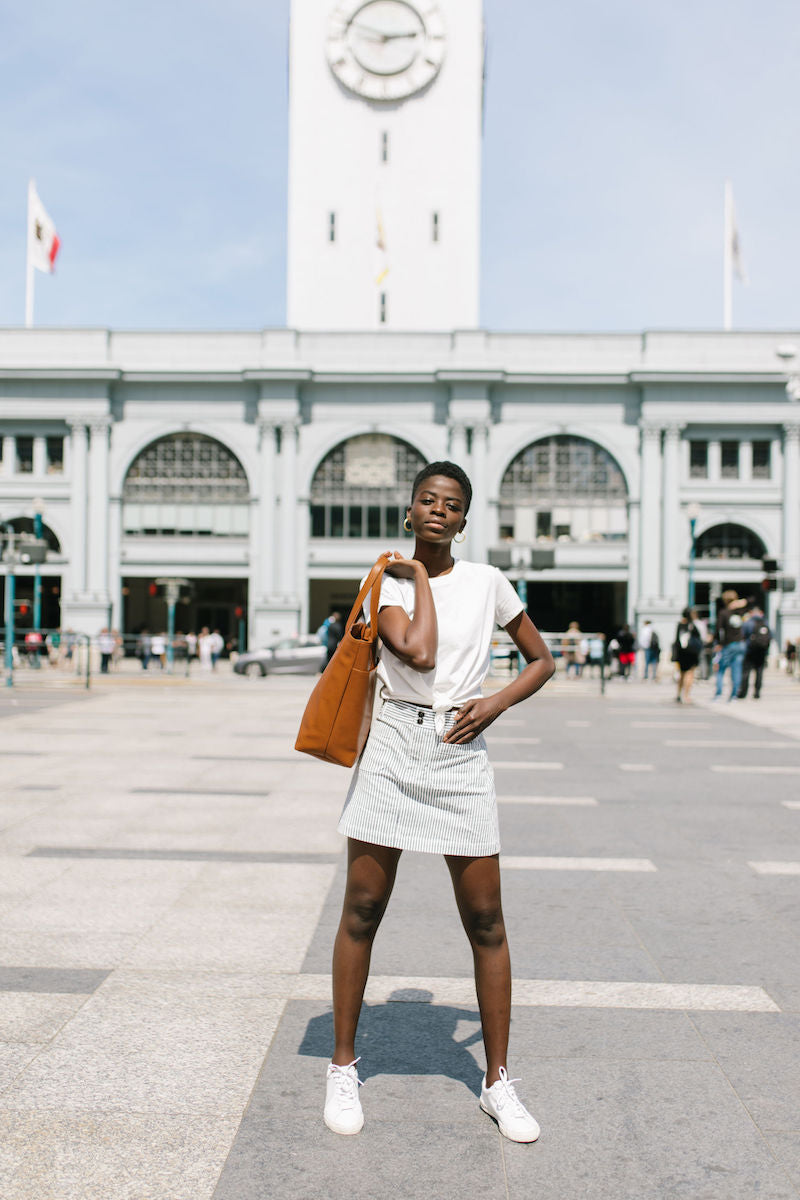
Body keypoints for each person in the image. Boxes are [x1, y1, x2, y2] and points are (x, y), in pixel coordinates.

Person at [324, 461, 555, 1144]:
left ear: (463, 518)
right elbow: (418, 655)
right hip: (395, 745)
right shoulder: (386, 584)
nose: (438, 512)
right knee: (362, 908)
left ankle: (498, 1081)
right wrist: (419, 575)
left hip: (460, 748)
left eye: (451, 505)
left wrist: (495, 704)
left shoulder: (488, 583)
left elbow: (541, 659)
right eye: (427, 500)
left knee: (487, 919)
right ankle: (342, 1065)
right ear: (409, 511)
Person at [713, 590, 748, 701]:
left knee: (721, 669)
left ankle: (718, 694)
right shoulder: (740, 612)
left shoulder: (723, 613)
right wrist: (742, 603)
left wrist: (718, 643)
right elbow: (753, 600)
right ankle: (734, 695)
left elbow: (718, 629)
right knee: (736, 670)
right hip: (740, 643)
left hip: (729, 644)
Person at [738, 604, 770, 699]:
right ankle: (757, 692)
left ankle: (743, 692)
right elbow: (770, 637)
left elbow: (742, 635)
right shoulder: (765, 622)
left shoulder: (748, 623)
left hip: (750, 650)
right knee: (759, 672)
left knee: (746, 672)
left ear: (751, 613)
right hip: (761, 651)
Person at [672, 607, 703, 703]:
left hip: (682, 654)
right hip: (691, 654)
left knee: (681, 674)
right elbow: (699, 640)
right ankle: (686, 695)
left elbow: (677, 641)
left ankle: (678, 694)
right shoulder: (693, 626)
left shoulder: (680, 625)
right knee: (689, 674)